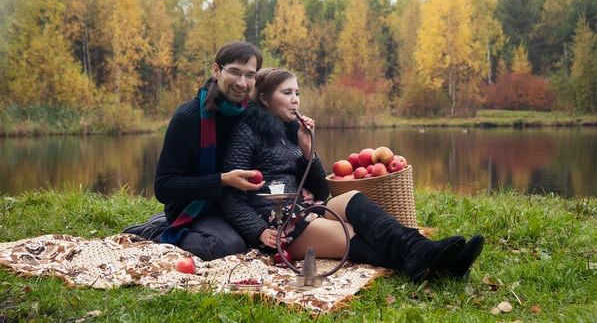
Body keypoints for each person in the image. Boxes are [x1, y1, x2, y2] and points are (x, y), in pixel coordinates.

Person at [220, 68, 484, 282]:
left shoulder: (290, 132)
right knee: (349, 232)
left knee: (353, 198)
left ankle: (426, 253)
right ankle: (439, 265)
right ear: (265, 99)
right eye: (287, 92)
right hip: (274, 223)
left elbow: (319, 191)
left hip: (301, 207)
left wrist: (307, 148)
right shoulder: (246, 132)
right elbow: (231, 197)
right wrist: (259, 231)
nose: (295, 99)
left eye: (297, 93)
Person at [123, 41, 267, 260]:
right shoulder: (188, 117)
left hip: (240, 205)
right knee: (227, 246)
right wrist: (222, 180)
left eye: (250, 75)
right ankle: (158, 231)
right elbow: (164, 188)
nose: (242, 83)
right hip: (196, 207)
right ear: (217, 70)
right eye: (235, 72)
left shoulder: (254, 115)